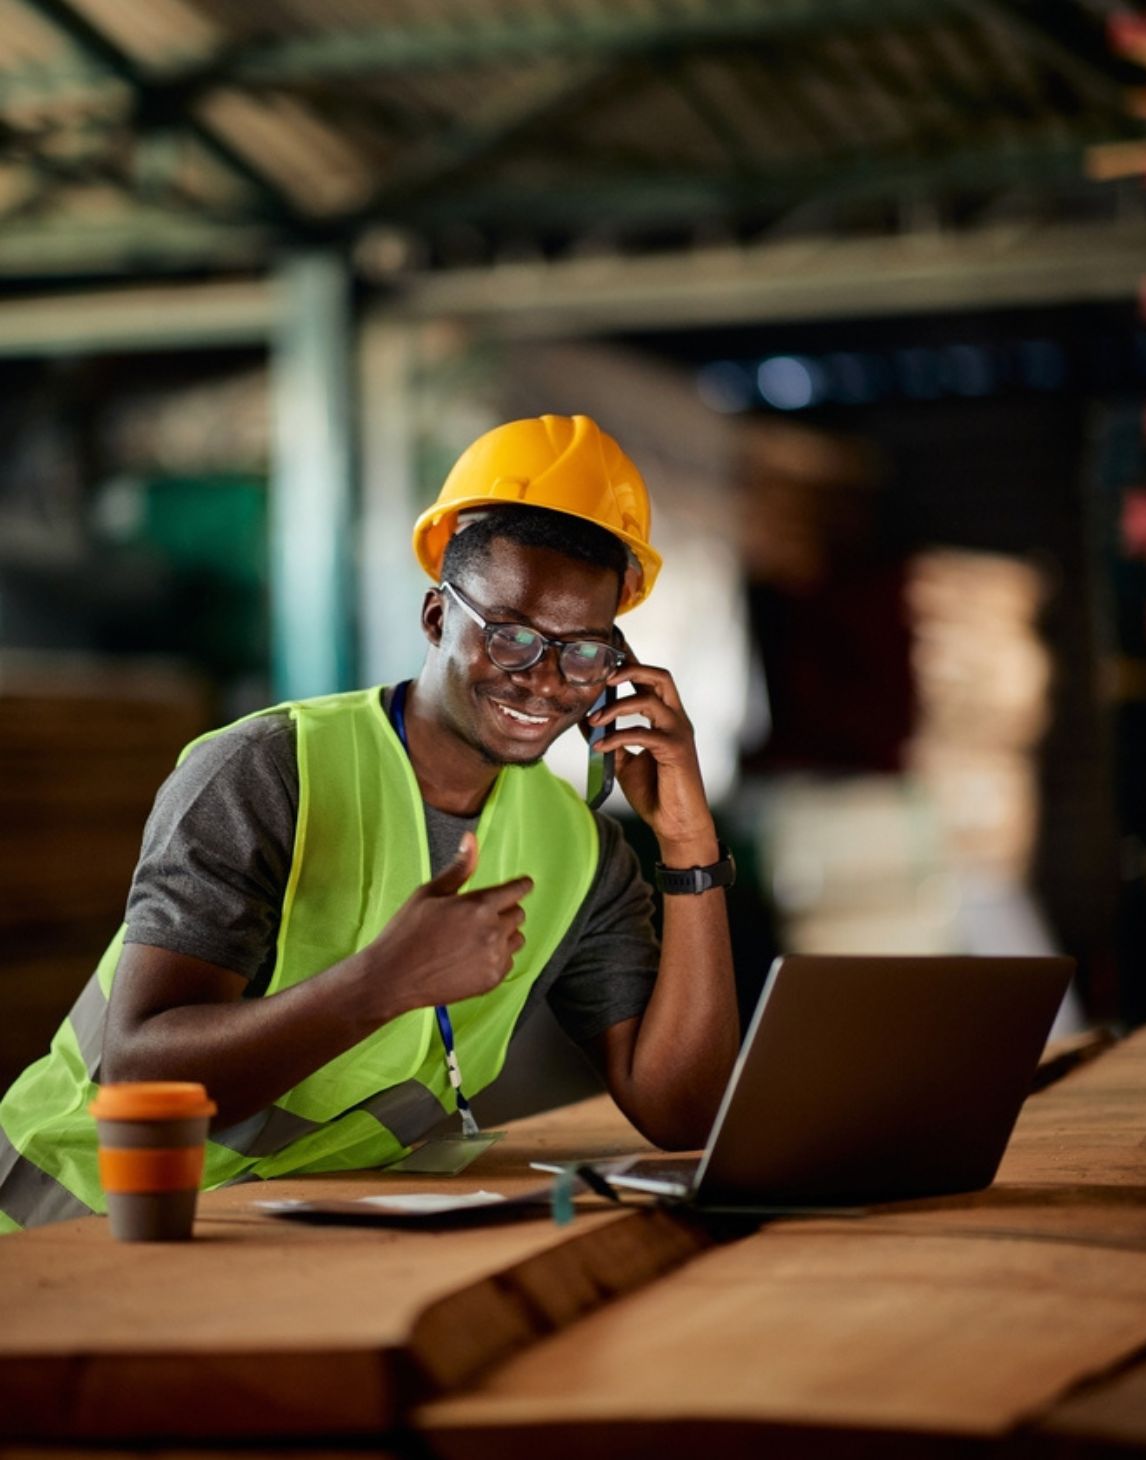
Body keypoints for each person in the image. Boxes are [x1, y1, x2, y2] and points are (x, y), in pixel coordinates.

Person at [0, 414, 739, 1231]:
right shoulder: (267, 770)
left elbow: (686, 1115)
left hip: (287, 1232)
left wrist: (688, 847)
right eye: (512, 637)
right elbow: (139, 1080)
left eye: (584, 651)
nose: (546, 682)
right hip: (75, 1227)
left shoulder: (581, 851)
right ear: (435, 619)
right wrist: (380, 985)